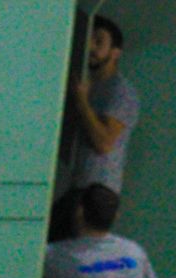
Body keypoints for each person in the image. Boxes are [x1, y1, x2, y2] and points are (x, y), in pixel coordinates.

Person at [56, 16, 140, 240]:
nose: (91, 47)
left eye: (99, 42)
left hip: (99, 193)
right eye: (90, 40)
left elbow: (104, 143)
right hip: (79, 187)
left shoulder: (121, 92)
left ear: (115, 52)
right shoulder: (91, 86)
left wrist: (82, 102)